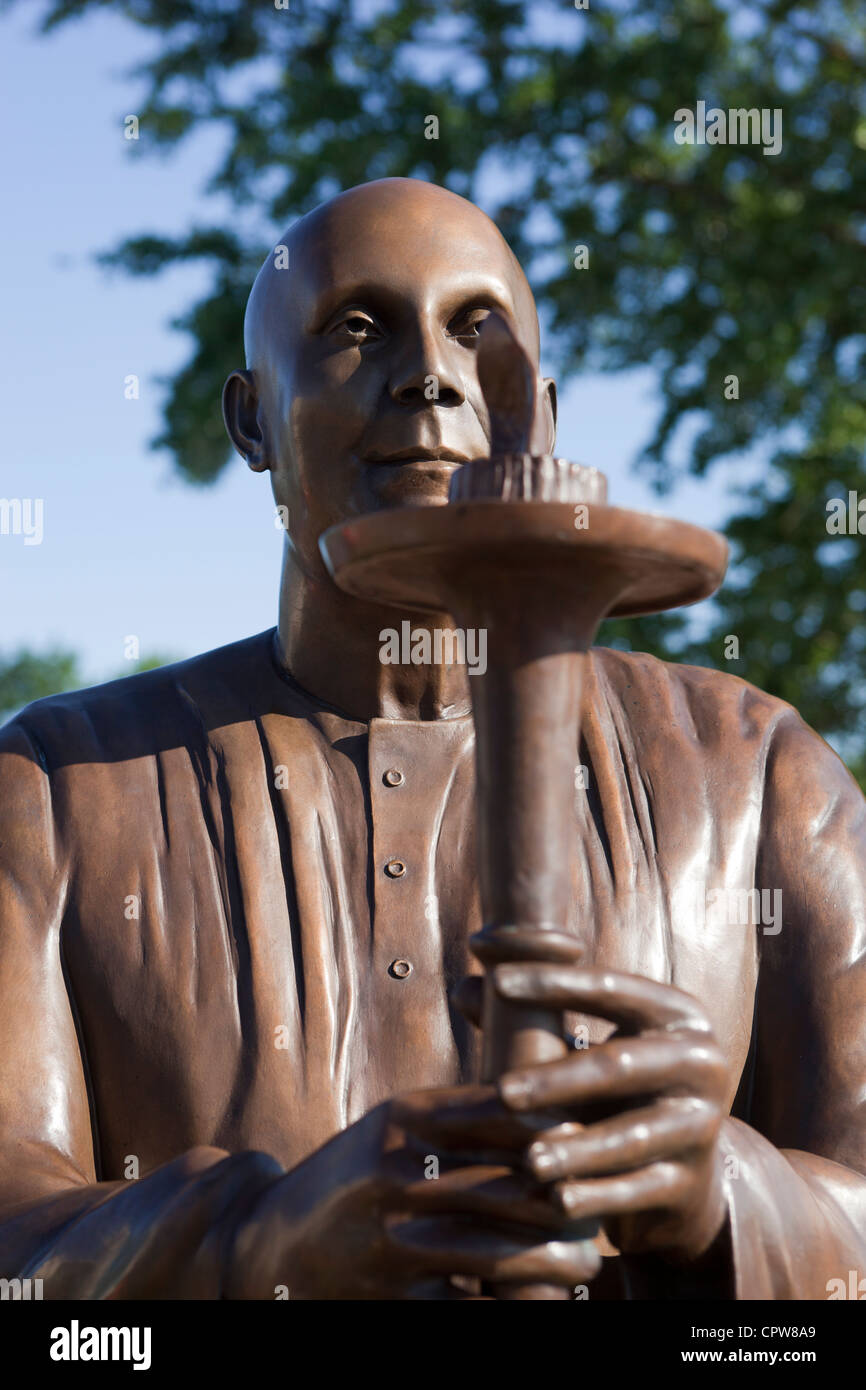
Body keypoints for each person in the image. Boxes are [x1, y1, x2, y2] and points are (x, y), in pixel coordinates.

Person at [1, 178, 864, 1300]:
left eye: (475, 329)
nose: (429, 374)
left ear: (541, 414)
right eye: (356, 329)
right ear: (250, 417)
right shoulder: (56, 792)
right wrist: (251, 1248)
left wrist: (724, 1199)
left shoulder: (757, 777)